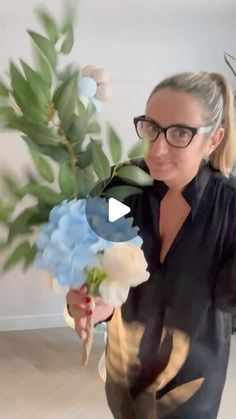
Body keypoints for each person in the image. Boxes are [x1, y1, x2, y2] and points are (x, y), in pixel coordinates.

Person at [66, 71, 236, 419]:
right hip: (123, 378)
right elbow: (94, 265)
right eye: (152, 127)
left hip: (191, 393)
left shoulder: (230, 208)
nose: (157, 148)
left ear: (213, 139)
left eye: (179, 133)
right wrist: (90, 303)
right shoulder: (120, 189)